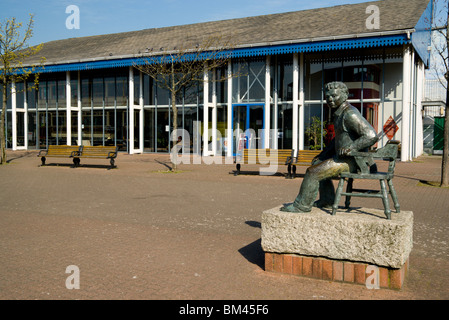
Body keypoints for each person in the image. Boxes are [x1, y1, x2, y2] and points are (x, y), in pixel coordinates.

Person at [281, 81, 378, 213]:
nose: (330, 99)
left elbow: (371, 135)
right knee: (317, 162)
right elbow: (338, 139)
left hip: (352, 161)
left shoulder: (350, 114)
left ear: (345, 96)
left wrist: (351, 147)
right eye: (327, 97)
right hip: (343, 157)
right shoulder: (339, 113)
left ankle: (301, 206)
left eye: (334, 96)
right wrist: (324, 154)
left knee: (313, 172)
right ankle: (327, 200)